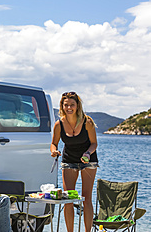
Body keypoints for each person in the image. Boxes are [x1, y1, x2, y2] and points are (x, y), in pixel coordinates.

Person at [50, 91, 98, 232]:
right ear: (62, 106)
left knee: (86, 198)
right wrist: (53, 151)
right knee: (68, 198)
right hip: (69, 160)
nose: (69, 107)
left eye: (72, 104)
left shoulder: (87, 122)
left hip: (88, 160)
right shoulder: (59, 124)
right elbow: (54, 143)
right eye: (66, 105)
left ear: (77, 106)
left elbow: (94, 143)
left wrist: (88, 153)